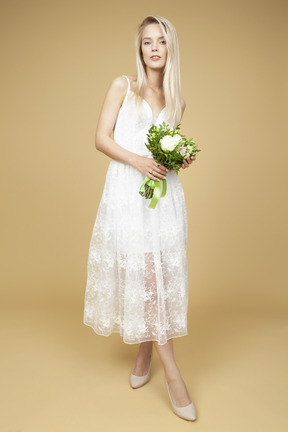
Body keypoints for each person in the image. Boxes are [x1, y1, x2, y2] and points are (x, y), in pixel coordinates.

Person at [83, 15, 197, 421]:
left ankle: (145, 349)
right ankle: (173, 374)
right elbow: (101, 138)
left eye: (161, 42)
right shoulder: (123, 86)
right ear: (140, 48)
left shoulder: (177, 102)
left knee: (160, 274)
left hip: (163, 202)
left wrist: (178, 157)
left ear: (170, 49)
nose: (153, 48)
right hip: (128, 198)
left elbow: (168, 158)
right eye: (147, 41)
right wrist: (139, 160)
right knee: (147, 275)